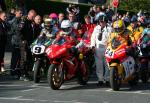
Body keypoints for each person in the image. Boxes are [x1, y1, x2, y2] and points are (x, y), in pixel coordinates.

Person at [91, 14, 112, 86]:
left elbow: (111, 38)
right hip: (98, 49)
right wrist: (93, 46)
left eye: (103, 22)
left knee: (107, 65)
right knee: (99, 65)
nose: (102, 23)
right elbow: (93, 37)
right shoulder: (96, 28)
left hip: (107, 49)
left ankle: (107, 79)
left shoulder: (110, 29)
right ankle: (100, 79)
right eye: (100, 22)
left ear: (106, 22)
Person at [19, 9, 37, 81]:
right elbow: (19, 31)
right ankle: (22, 74)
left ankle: (26, 73)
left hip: (30, 43)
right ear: (29, 15)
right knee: (24, 58)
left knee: (29, 58)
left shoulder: (31, 22)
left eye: (34, 17)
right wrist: (23, 40)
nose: (33, 18)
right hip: (24, 43)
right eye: (32, 16)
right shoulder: (24, 22)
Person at [10, 8, 23, 78]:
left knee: (19, 58)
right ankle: (13, 72)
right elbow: (18, 29)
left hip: (20, 41)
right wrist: (22, 24)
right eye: (20, 13)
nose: (21, 14)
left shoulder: (20, 20)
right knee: (14, 58)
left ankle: (17, 71)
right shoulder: (14, 20)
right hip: (15, 42)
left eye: (21, 13)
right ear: (16, 13)